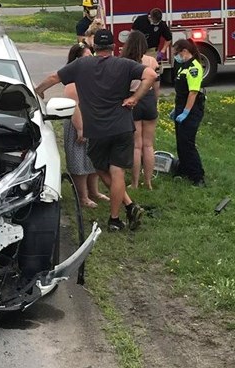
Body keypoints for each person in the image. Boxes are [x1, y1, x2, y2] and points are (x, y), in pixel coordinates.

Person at [35, 29, 157, 232]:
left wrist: (38, 92)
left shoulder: (82, 64)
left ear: (94, 48)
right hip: (123, 127)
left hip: (98, 129)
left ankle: (123, 211)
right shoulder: (124, 64)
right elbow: (151, 75)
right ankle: (118, 216)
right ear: (113, 47)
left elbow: (54, 77)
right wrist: (135, 98)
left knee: (101, 169)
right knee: (116, 171)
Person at [60, 44, 107, 208]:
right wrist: (81, 129)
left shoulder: (92, 76)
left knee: (92, 161)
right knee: (79, 162)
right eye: (87, 57)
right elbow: (74, 107)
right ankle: (82, 197)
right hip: (78, 124)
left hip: (92, 123)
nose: (91, 59)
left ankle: (94, 191)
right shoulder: (72, 82)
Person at [122, 30, 160, 190]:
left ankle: (135, 183)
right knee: (148, 144)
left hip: (133, 100)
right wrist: (154, 100)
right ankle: (149, 181)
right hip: (149, 98)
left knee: (136, 145)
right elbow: (157, 85)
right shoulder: (152, 61)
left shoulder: (124, 62)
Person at [170, 39, 206, 185]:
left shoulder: (193, 67)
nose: (175, 56)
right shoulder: (183, 66)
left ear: (184, 51)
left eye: (176, 53)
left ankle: (198, 176)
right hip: (182, 106)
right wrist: (176, 109)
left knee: (187, 143)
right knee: (180, 142)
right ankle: (184, 169)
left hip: (191, 109)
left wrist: (185, 112)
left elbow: (193, 92)